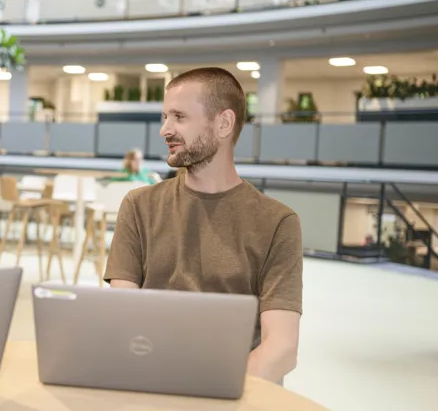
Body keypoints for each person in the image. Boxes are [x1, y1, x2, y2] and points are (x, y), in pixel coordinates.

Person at [104, 67, 302, 384]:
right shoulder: (138, 206)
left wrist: (215, 393)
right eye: (165, 117)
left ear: (223, 123)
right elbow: (122, 318)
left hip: (236, 390)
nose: (165, 130)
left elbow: (282, 347)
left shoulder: (278, 222)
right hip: (150, 383)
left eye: (179, 117)